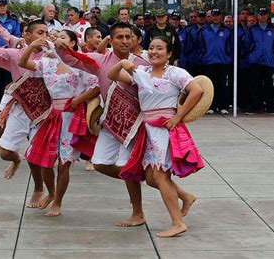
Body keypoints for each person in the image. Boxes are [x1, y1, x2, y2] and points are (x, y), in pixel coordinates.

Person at [55, 22, 148, 227]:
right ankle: (141, 178)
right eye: (119, 37)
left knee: (127, 167)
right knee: (100, 163)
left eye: (128, 37)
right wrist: (61, 45)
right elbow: (71, 58)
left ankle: (138, 212)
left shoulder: (142, 63)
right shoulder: (100, 60)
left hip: (134, 125)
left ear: (134, 39)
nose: (124, 41)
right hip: (111, 123)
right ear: (111, 40)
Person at [108, 36, 202, 237]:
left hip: (164, 129)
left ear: (169, 54)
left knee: (160, 176)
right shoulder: (141, 72)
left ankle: (177, 223)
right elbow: (111, 75)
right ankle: (186, 196)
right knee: (151, 178)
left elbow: (197, 90)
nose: (153, 52)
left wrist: (178, 115)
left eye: (159, 49)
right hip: (147, 129)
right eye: (151, 48)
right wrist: (123, 64)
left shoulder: (175, 73)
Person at [18, 29, 100, 217]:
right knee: (42, 160)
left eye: (63, 37)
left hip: (72, 116)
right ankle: (51, 191)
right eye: (56, 36)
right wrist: (31, 45)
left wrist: (78, 100)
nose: (57, 39)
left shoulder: (80, 64)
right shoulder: (47, 63)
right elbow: (22, 63)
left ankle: (58, 202)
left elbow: (96, 86)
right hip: (54, 115)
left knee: (64, 163)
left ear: (72, 43)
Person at [0, 17, 48, 207]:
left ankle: (39, 188)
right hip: (20, 109)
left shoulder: (52, 56)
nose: (44, 37)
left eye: (46, 33)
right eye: (40, 33)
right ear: (26, 35)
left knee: (36, 156)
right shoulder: (14, 54)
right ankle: (15, 160)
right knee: (5, 152)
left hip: (44, 112)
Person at [243, 7, 274, 114]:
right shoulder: (252, 29)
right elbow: (247, 44)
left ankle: (271, 107)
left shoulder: (273, 30)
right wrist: (253, 52)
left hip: (269, 61)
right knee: (254, 85)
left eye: (264, 14)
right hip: (255, 60)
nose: (262, 16)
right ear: (257, 16)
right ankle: (254, 107)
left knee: (270, 85)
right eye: (260, 14)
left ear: (267, 16)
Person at [200, 8, 233, 115]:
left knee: (223, 84)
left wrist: (229, 57)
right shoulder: (205, 30)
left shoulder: (227, 31)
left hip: (223, 62)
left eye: (218, 15)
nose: (215, 17)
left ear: (221, 16)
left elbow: (231, 46)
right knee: (210, 86)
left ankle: (223, 106)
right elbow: (200, 46)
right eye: (213, 15)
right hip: (208, 62)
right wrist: (203, 56)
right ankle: (211, 106)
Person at [237, 8, 252, 112]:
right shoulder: (235, 29)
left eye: (247, 14)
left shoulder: (252, 29)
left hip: (250, 60)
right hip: (238, 60)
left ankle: (248, 104)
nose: (245, 16)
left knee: (249, 84)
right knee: (239, 83)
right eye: (243, 14)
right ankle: (239, 103)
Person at [184, 10, 206, 76]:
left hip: (205, 61)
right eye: (199, 16)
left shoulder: (209, 29)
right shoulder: (190, 30)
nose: (201, 18)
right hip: (192, 61)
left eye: (203, 17)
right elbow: (187, 46)